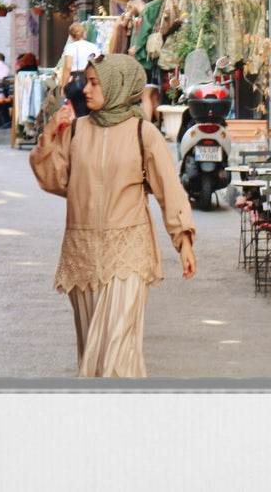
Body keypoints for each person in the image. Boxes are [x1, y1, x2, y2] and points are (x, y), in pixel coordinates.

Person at [29, 53, 197, 377]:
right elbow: (53, 180)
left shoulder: (142, 133)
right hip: (82, 257)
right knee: (93, 355)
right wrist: (49, 135)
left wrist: (184, 239)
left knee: (116, 356)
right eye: (87, 82)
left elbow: (169, 189)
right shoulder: (75, 131)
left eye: (94, 83)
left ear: (117, 85)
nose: (86, 90)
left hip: (128, 255)